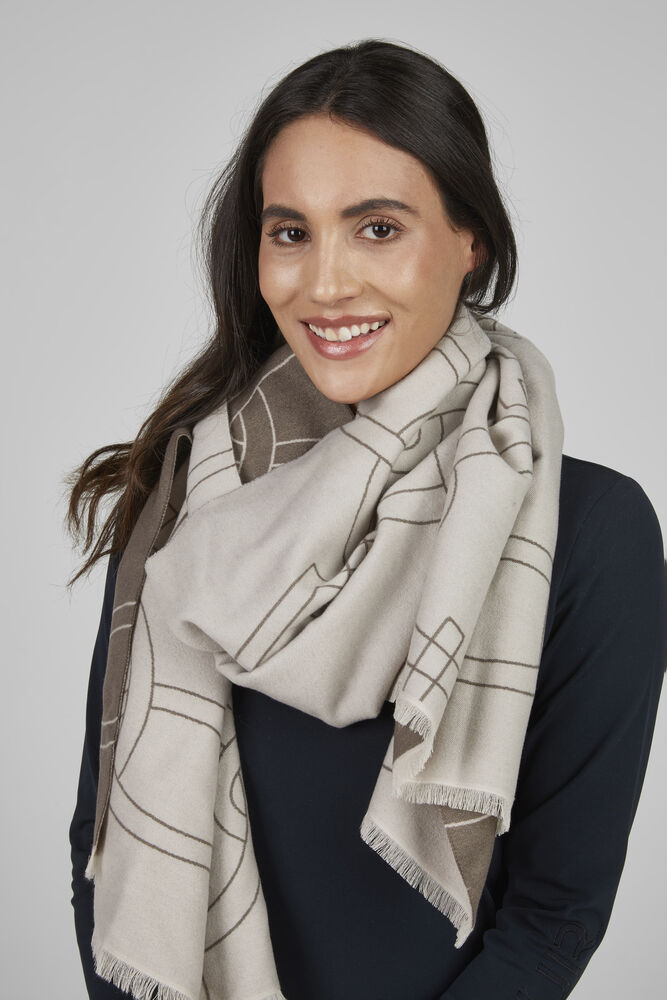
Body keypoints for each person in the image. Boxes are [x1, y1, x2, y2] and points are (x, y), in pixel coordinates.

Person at [65, 38, 665, 1000]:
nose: (326, 283)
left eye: (376, 228)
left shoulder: (590, 532)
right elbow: (103, 847)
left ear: (470, 242)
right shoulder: (185, 501)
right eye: (290, 233)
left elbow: (553, 917)